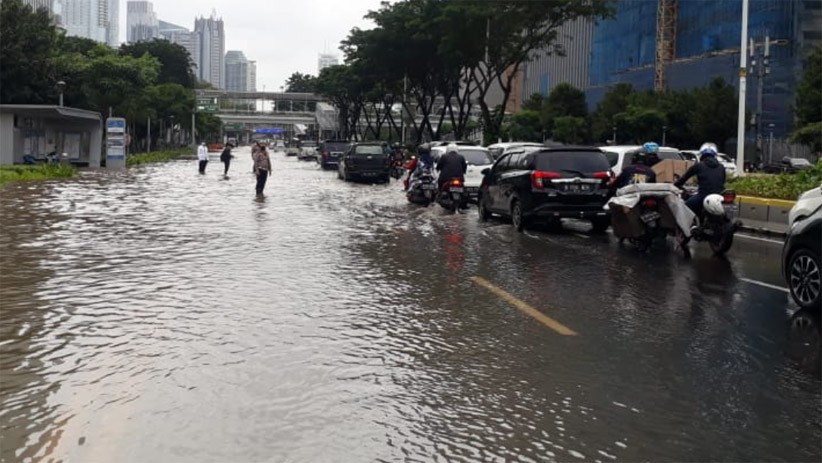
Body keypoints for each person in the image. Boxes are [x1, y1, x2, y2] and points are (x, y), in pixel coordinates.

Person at [674, 142, 726, 215]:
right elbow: (723, 181)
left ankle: (692, 225)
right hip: (720, 196)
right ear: (714, 156)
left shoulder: (698, 165)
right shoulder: (721, 167)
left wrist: (675, 185)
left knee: (685, 206)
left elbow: (684, 178)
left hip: (703, 195)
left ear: (702, 155)